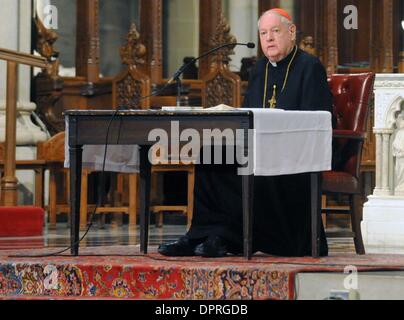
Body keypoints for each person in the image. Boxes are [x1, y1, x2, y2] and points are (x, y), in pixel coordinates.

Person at [158, 8, 333, 257]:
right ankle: (203, 234)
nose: (269, 38)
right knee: (211, 154)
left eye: (275, 31)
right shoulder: (260, 69)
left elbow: (316, 121)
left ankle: (226, 237)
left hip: (294, 158)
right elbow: (249, 115)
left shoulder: (310, 67)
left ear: (291, 32)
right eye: (263, 33)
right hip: (259, 150)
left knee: (239, 165)